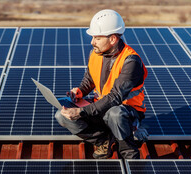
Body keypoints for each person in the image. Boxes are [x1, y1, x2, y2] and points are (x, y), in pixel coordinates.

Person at [55, 9, 148, 159]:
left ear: (112, 39)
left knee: (115, 113)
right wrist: (80, 91)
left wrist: (82, 112)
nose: (92, 42)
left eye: (97, 38)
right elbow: (89, 79)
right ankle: (104, 142)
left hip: (127, 112)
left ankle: (128, 153)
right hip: (103, 106)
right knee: (61, 115)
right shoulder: (96, 53)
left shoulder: (131, 61)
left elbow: (115, 98)